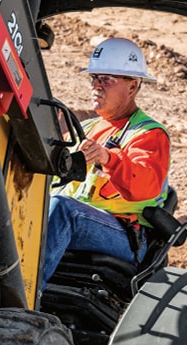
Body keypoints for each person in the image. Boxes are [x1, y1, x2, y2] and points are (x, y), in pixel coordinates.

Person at [41, 37, 171, 286]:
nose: (96, 86)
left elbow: (144, 185)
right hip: (85, 219)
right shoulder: (87, 128)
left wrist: (108, 158)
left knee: (63, 209)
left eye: (106, 79)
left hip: (123, 234)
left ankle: (24, 294)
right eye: (94, 78)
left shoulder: (149, 134)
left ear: (132, 86)